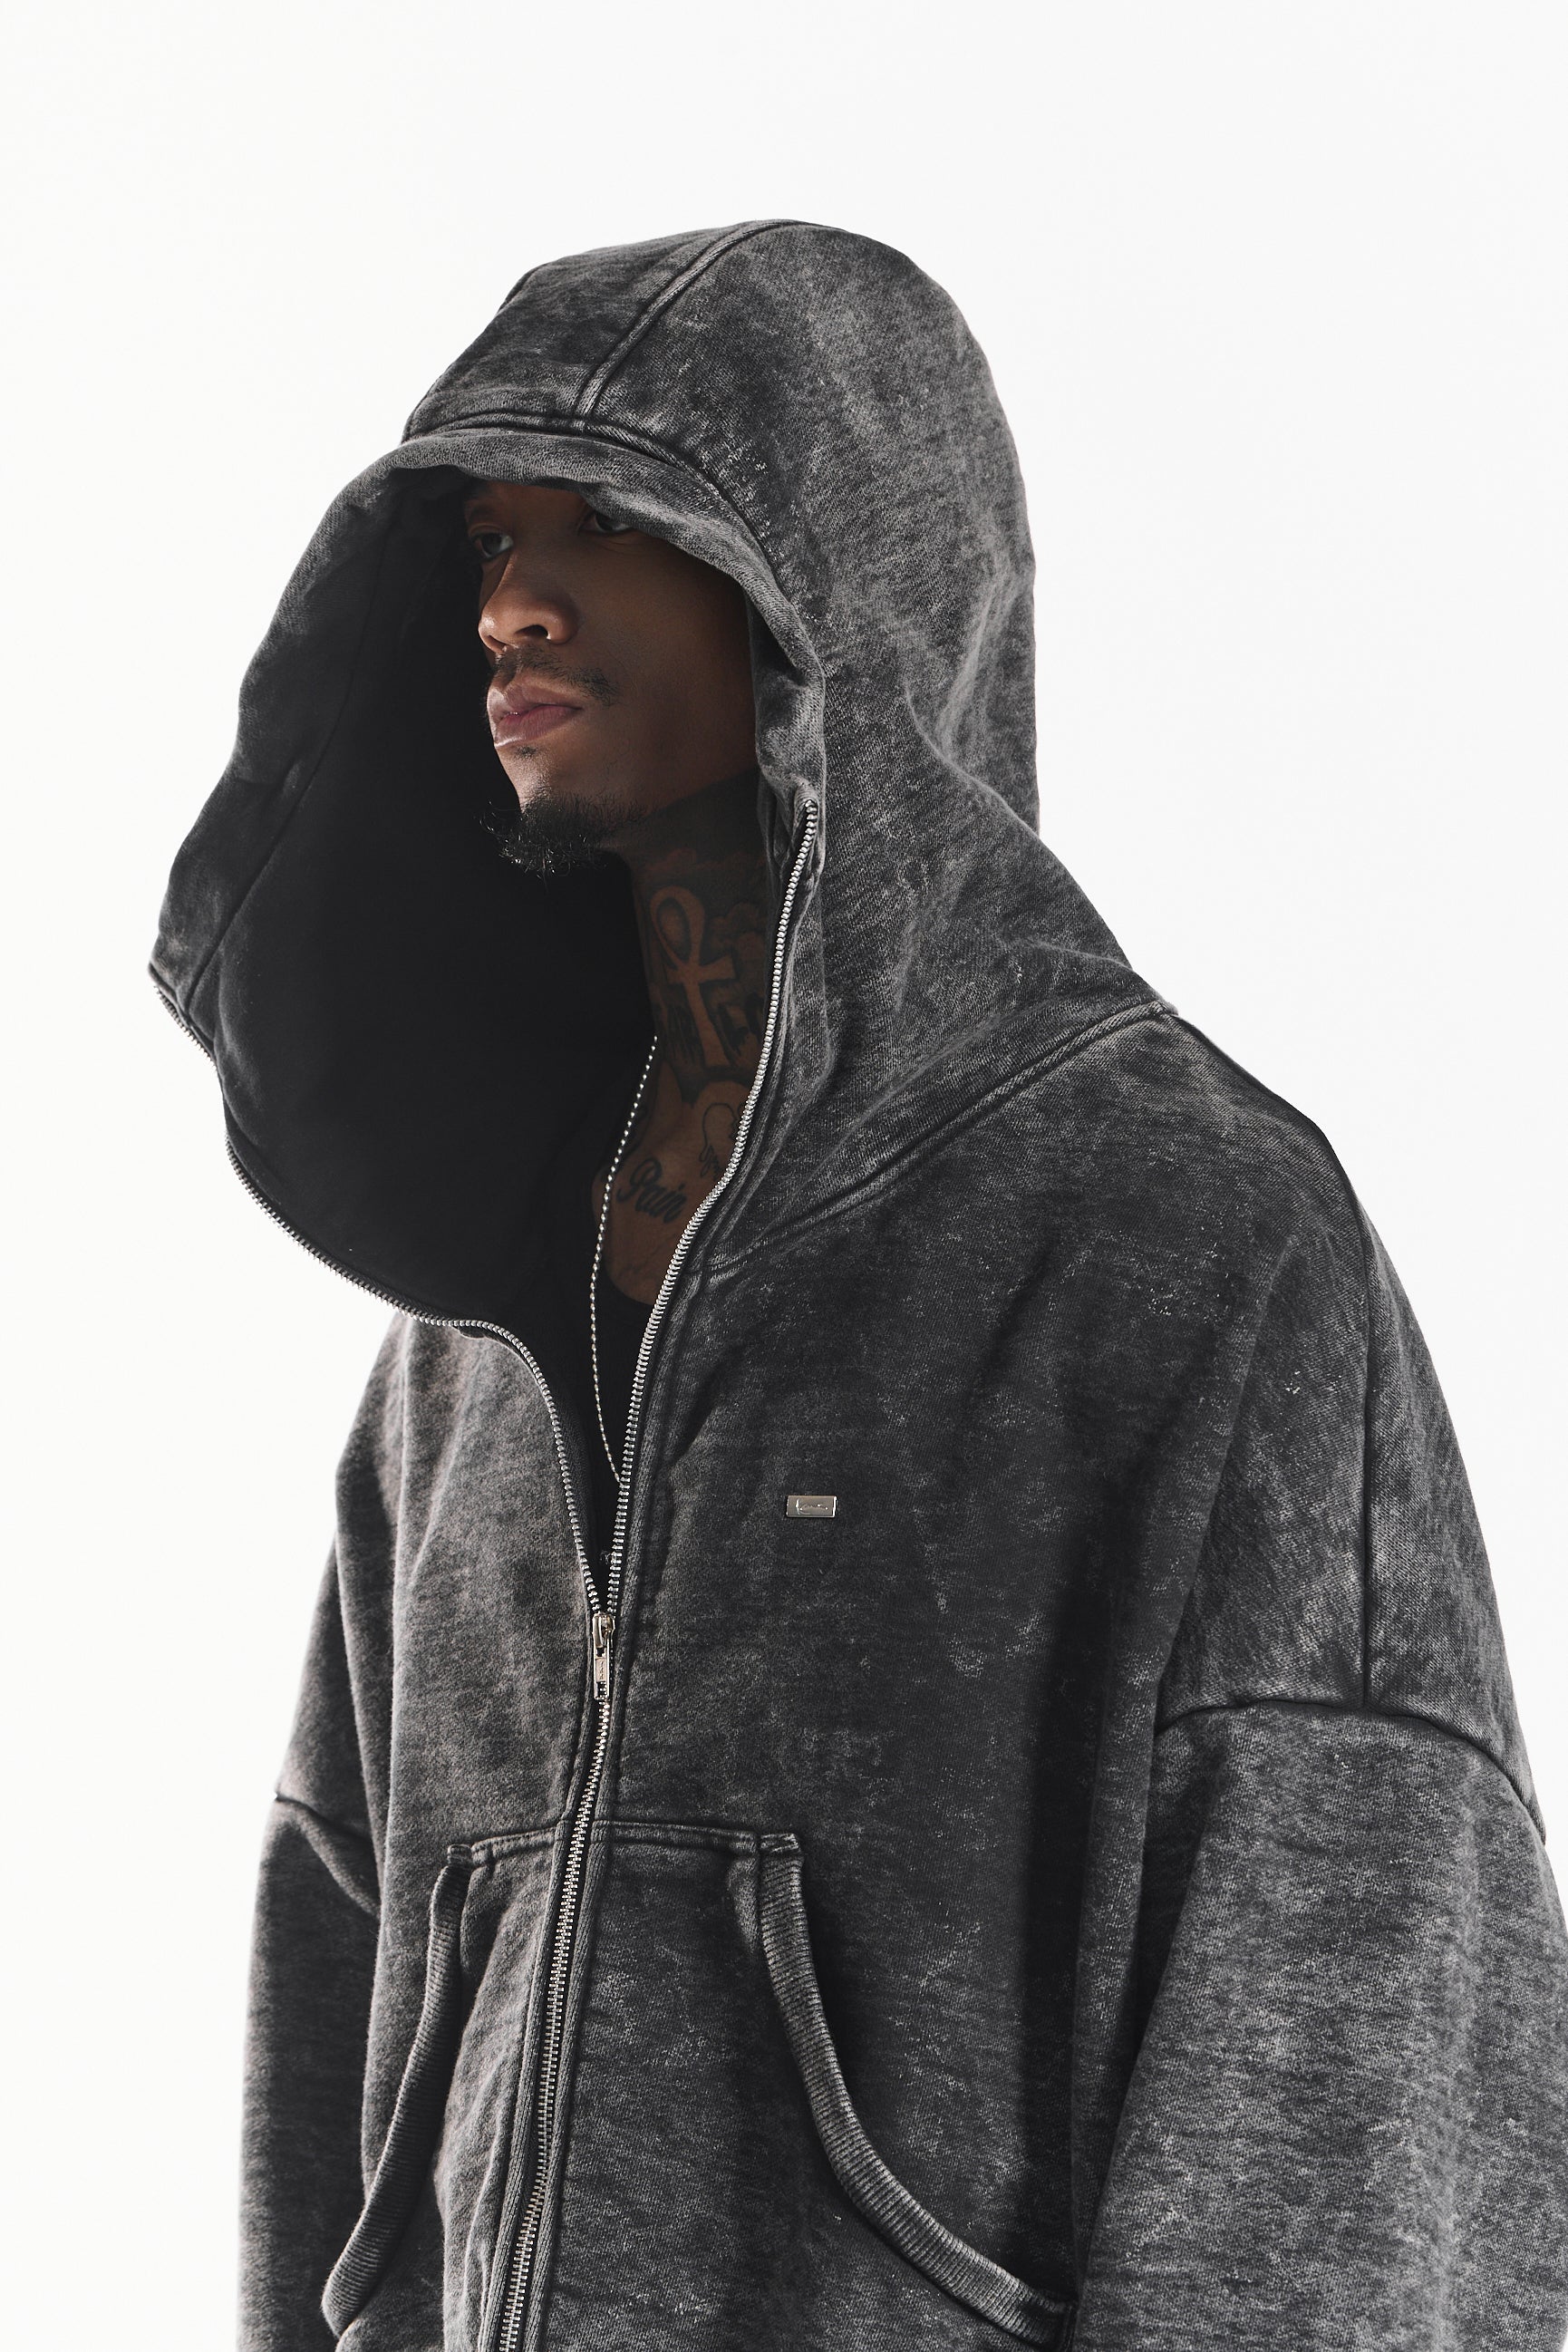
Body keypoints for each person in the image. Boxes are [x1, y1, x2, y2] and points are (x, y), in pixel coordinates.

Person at [152, 221, 1568, 2352]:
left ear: (838, 582)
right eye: (493, 541)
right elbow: (329, 2052)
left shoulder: (1180, 1245)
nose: (513, 602)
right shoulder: (471, 1327)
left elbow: (1350, 2101)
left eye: (607, 525)